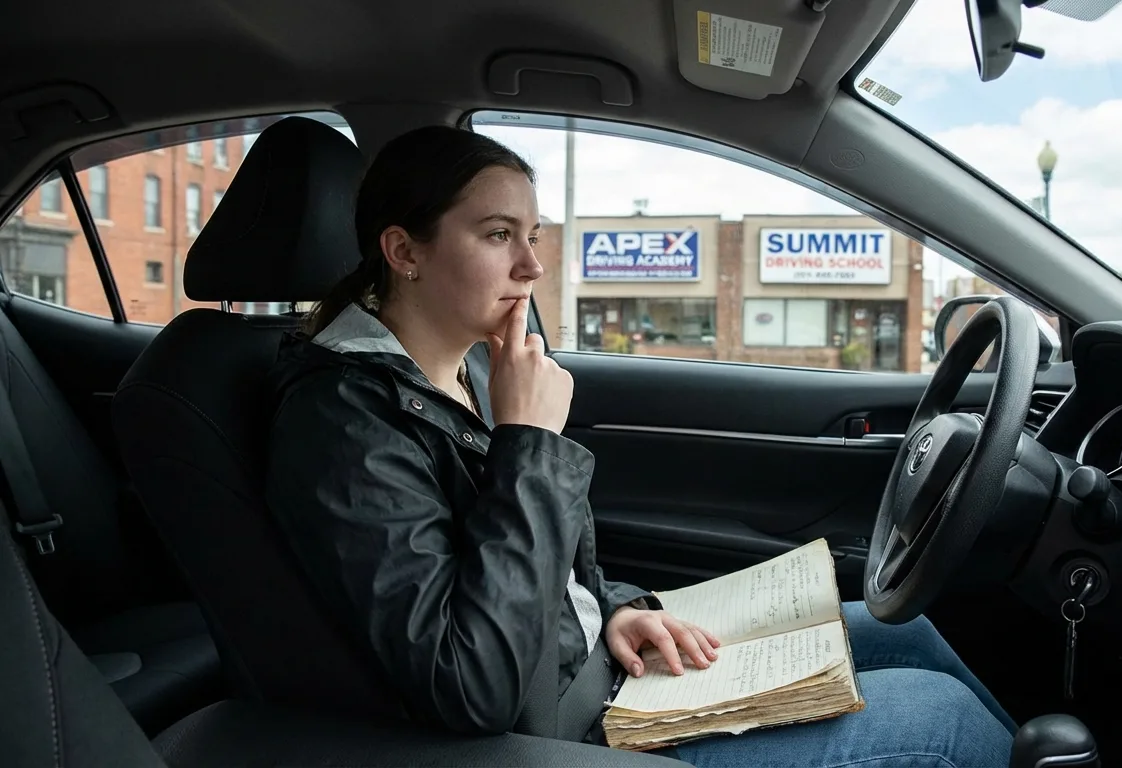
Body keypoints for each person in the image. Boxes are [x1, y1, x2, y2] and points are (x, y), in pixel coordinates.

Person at [263, 125, 1017, 767]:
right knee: (936, 721)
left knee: (905, 627)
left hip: (596, 666)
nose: (532, 265)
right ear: (405, 251)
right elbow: (470, 680)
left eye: (533, 236)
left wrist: (619, 609)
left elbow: (542, 574)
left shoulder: (477, 367)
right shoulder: (342, 424)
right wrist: (528, 443)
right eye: (498, 235)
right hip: (559, 732)